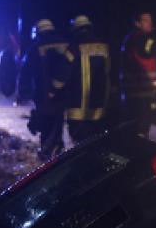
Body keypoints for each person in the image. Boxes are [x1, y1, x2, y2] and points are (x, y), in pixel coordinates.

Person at [19, 19, 69, 160]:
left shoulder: (34, 47)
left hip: (42, 93)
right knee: (58, 121)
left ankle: (47, 152)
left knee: (46, 123)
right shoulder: (65, 44)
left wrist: (23, 91)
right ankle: (57, 148)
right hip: (62, 92)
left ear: (38, 32)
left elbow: (25, 71)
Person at [62, 15, 112, 144]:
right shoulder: (104, 46)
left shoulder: (73, 47)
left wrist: (54, 90)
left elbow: (62, 74)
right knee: (97, 145)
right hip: (100, 110)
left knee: (79, 148)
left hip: (78, 111)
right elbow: (112, 72)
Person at [120, 11, 156, 137]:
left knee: (139, 127)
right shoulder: (138, 39)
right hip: (140, 91)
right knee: (140, 129)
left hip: (138, 91)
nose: (150, 23)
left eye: (150, 20)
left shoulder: (133, 38)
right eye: (146, 20)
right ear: (137, 23)